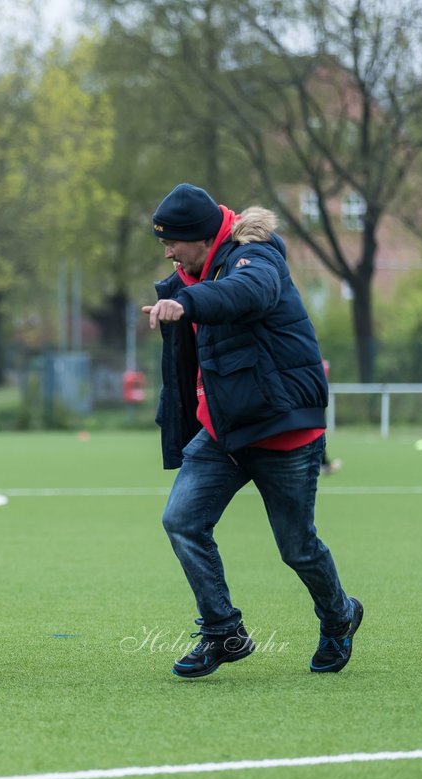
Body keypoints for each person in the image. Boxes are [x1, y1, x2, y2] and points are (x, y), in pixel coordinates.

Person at [142, 184, 361, 677]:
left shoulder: (255, 256)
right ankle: (224, 633)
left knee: (297, 548)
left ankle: (339, 617)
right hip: (223, 431)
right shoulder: (186, 276)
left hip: (282, 430)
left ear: (202, 238)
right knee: (181, 521)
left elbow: (249, 293)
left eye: (173, 241)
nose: (168, 251)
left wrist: (191, 302)